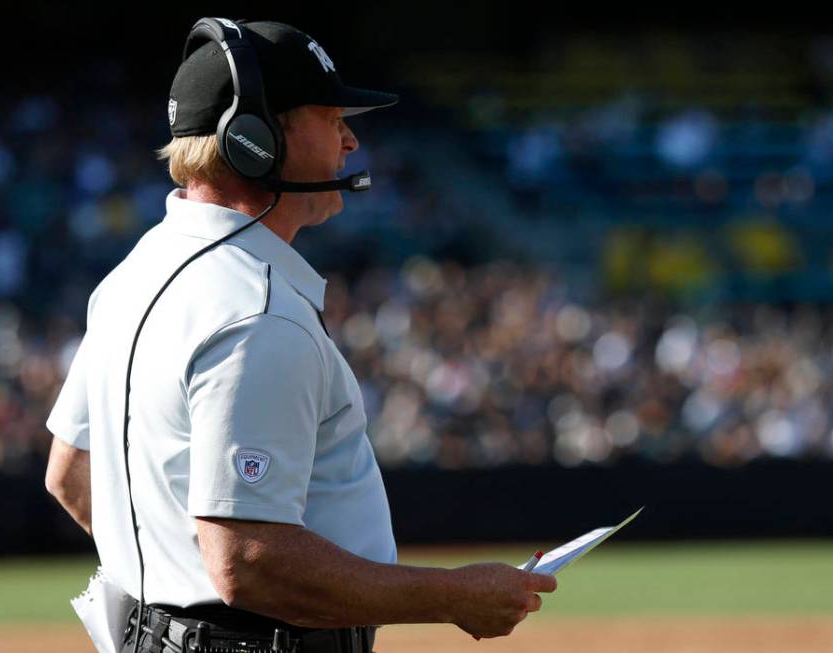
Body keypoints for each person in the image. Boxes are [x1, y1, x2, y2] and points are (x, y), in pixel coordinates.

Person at [44, 18, 557, 653]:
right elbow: (247, 561)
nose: (349, 141)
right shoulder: (254, 312)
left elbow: (69, 475)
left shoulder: (135, 272)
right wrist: (452, 594)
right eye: (329, 117)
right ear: (253, 140)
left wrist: (167, 597)